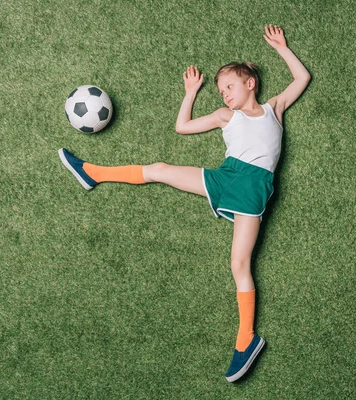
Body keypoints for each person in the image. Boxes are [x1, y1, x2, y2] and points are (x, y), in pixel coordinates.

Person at [58, 24, 310, 382]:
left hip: (252, 188)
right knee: (160, 168)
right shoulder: (227, 117)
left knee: (239, 263)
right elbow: (183, 126)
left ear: (250, 83)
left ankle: (246, 339)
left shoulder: (274, 109)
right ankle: (93, 172)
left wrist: (282, 48)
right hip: (226, 176)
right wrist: (190, 92)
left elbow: (301, 77)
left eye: (230, 86)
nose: (224, 94)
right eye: (221, 90)